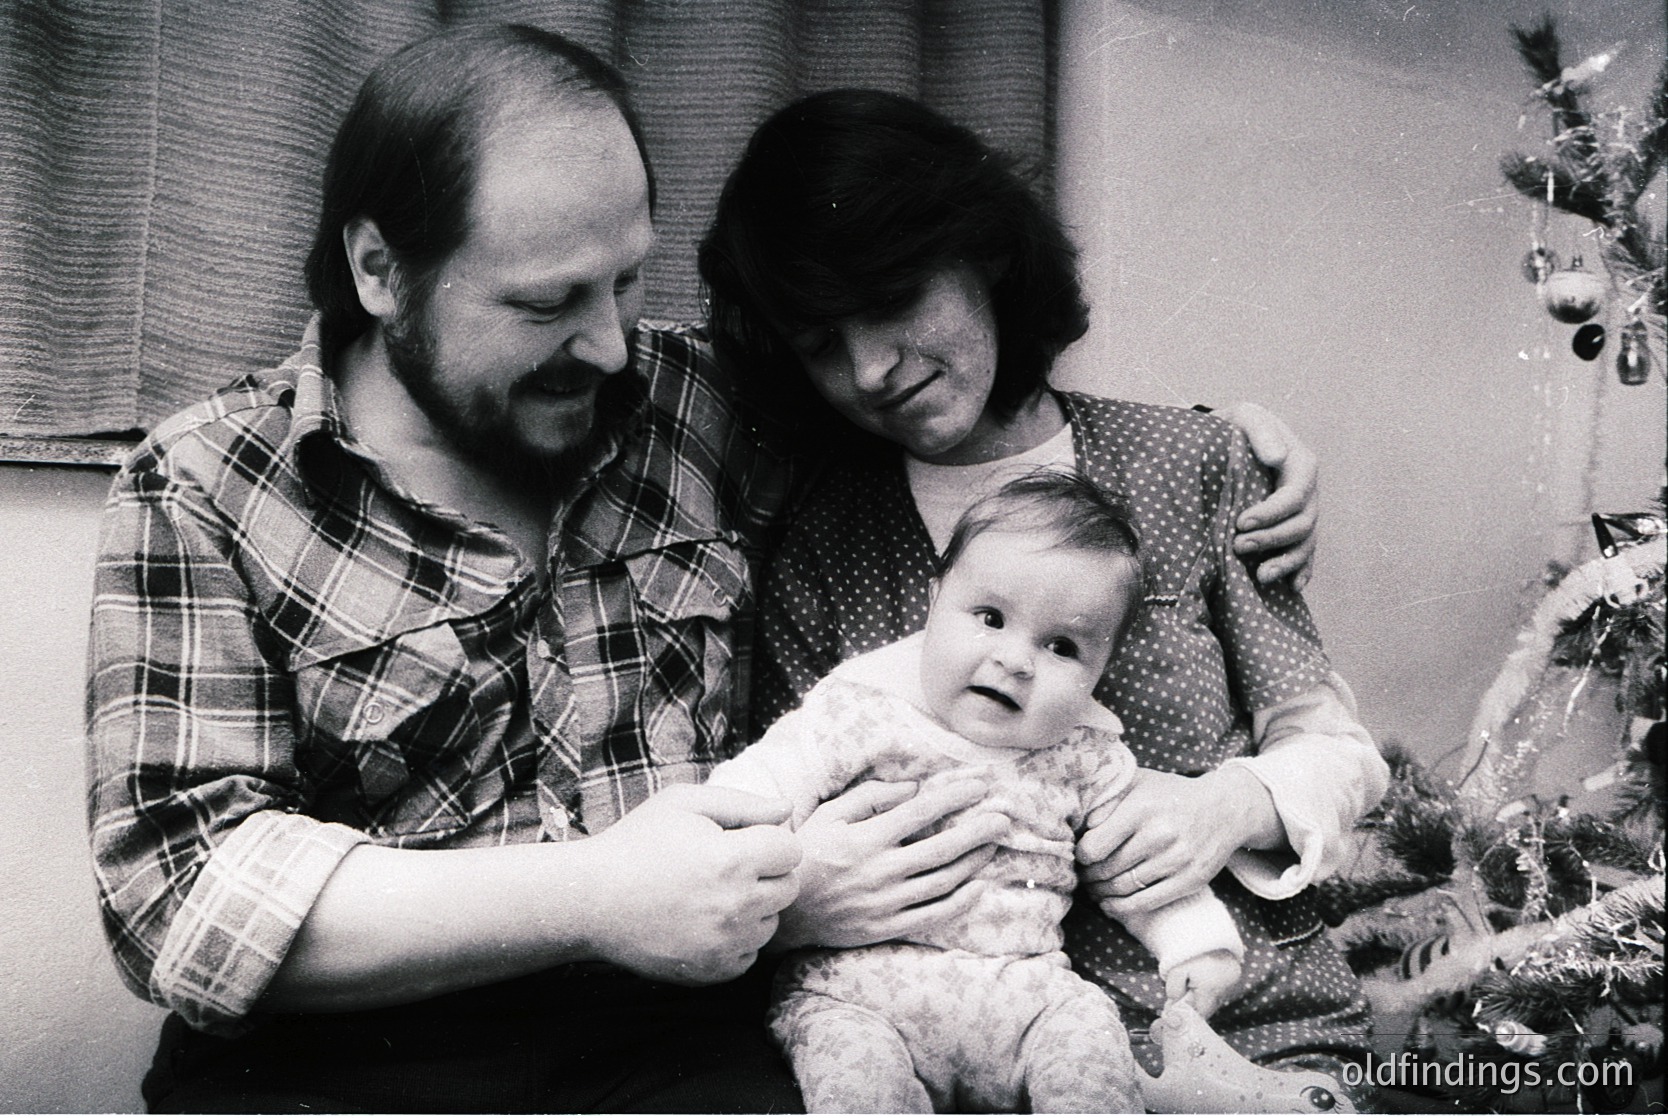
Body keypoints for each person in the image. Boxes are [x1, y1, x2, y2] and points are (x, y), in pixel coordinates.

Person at [85, 25, 1323, 1114]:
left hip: (674, 1052)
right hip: (339, 1068)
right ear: (379, 270)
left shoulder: (691, 402)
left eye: (627, 282)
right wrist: (598, 895)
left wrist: (1220, 445)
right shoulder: (205, 483)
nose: (610, 342)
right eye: (549, 301)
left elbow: (952, 405)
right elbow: (181, 895)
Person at [698, 88, 1390, 1093]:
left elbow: (1339, 751)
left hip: (1241, 1026)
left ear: (981, 250)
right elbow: (776, 807)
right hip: (948, 1059)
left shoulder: (1195, 462)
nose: (870, 367)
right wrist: (803, 891)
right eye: (819, 343)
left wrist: (1232, 803)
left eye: (891, 300)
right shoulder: (820, 542)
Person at [709, 470, 1242, 1112]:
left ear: (1101, 672)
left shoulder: (1082, 757)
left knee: (1089, 1049)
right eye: (991, 618)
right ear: (934, 602)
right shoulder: (860, 711)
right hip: (856, 994)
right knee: (857, 1084)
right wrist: (716, 847)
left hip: (1025, 997)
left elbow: (1142, 861)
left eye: (1063, 647)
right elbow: (756, 791)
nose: (1016, 660)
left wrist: (1197, 944)